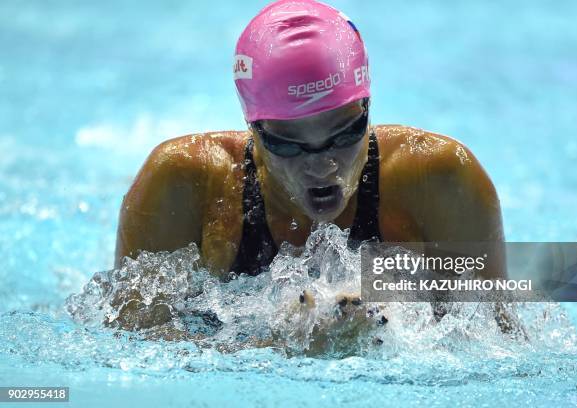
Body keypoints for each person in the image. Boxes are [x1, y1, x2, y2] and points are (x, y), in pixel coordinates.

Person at [114, 0, 509, 335]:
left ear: (367, 108)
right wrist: (283, 343)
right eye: (289, 144)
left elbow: (504, 343)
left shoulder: (439, 179)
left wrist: (396, 326)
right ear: (253, 127)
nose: (322, 164)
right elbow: (128, 343)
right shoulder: (183, 183)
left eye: (344, 133)